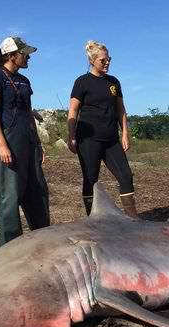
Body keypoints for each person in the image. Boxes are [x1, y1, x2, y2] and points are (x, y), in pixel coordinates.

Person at [0, 36, 50, 246]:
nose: (28, 57)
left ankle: (42, 240)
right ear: (11, 56)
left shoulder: (24, 80)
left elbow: (27, 113)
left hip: (28, 141)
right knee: (10, 197)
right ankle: (10, 247)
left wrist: (38, 144)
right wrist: (2, 145)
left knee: (37, 191)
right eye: (25, 54)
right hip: (9, 141)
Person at [67, 40, 137, 218]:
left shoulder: (114, 82)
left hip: (111, 139)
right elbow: (73, 111)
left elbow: (121, 109)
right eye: (103, 61)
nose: (107, 63)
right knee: (91, 179)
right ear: (92, 61)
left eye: (109, 59)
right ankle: (92, 220)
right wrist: (71, 136)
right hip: (88, 140)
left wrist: (125, 133)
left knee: (126, 175)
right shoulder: (82, 82)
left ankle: (133, 219)